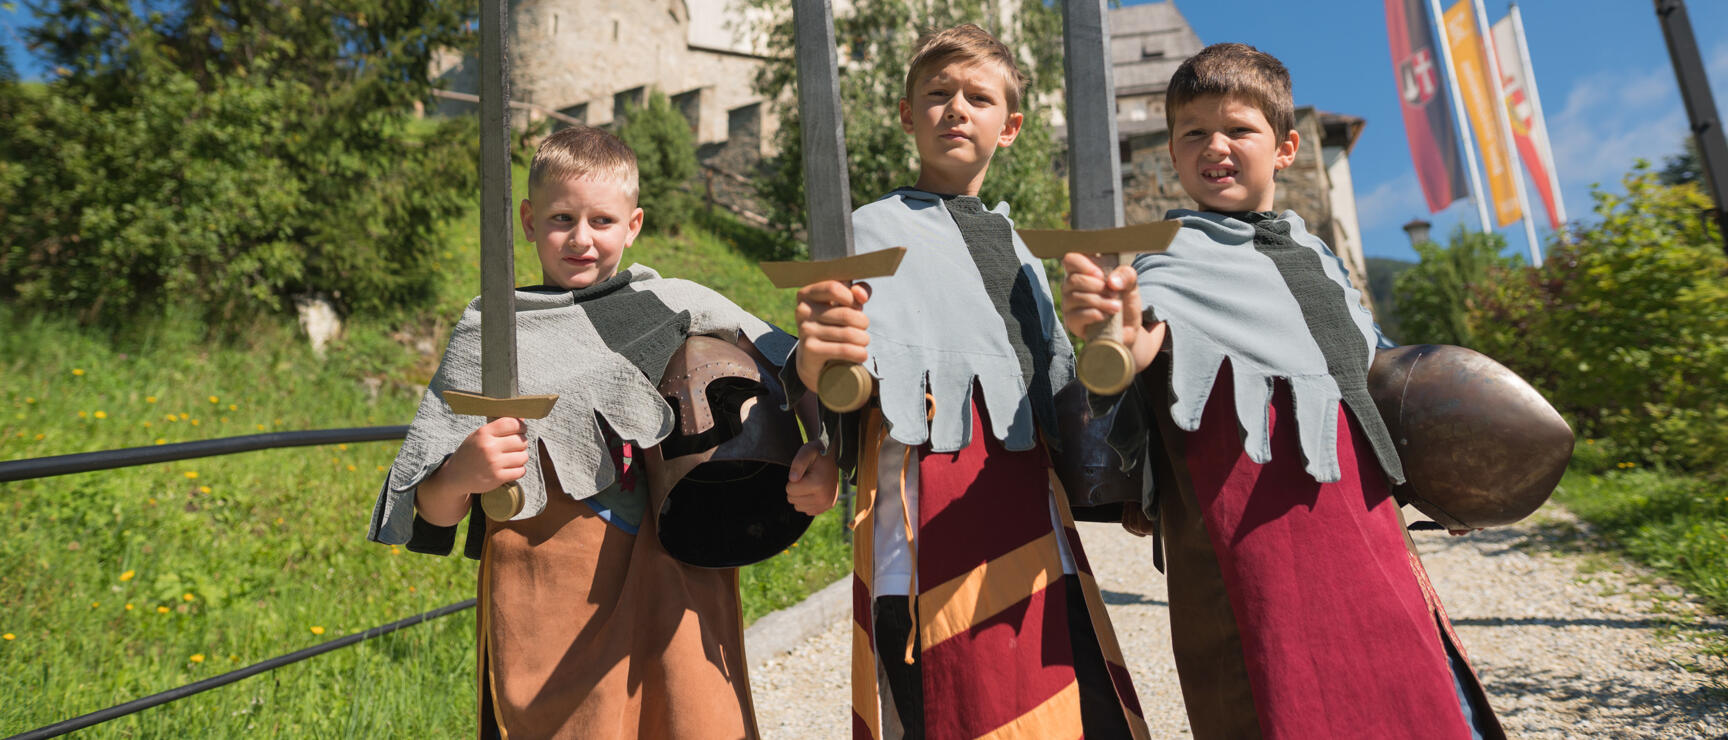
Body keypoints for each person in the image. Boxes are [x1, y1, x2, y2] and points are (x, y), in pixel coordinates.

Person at [1059, 43, 1505, 739]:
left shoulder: (1320, 262)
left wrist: (1447, 480)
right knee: (1279, 694)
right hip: (1249, 533)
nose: (1216, 147)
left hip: (1361, 521)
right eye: (1193, 133)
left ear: (1286, 148)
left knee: (1414, 687)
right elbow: (1141, 343)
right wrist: (1109, 329)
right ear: (1173, 155)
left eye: (1238, 128)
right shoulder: (1168, 256)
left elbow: (1378, 382)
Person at [367, 125, 839, 739]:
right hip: (551, 601)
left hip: (678, 581)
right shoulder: (492, 335)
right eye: (562, 219)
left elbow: (801, 370)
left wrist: (821, 452)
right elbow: (432, 509)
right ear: (529, 220)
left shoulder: (676, 302)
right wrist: (462, 474)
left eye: (602, 221)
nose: (582, 239)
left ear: (633, 224)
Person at [791, 24, 1148, 740]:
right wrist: (820, 413)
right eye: (938, 93)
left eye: (979, 97)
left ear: (1009, 127)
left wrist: (1132, 471)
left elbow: (1061, 394)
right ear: (907, 114)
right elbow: (831, 367)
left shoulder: (1023, 254)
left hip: (1033, 526)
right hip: (919, 539)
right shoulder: (866, 232)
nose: (956, 108)